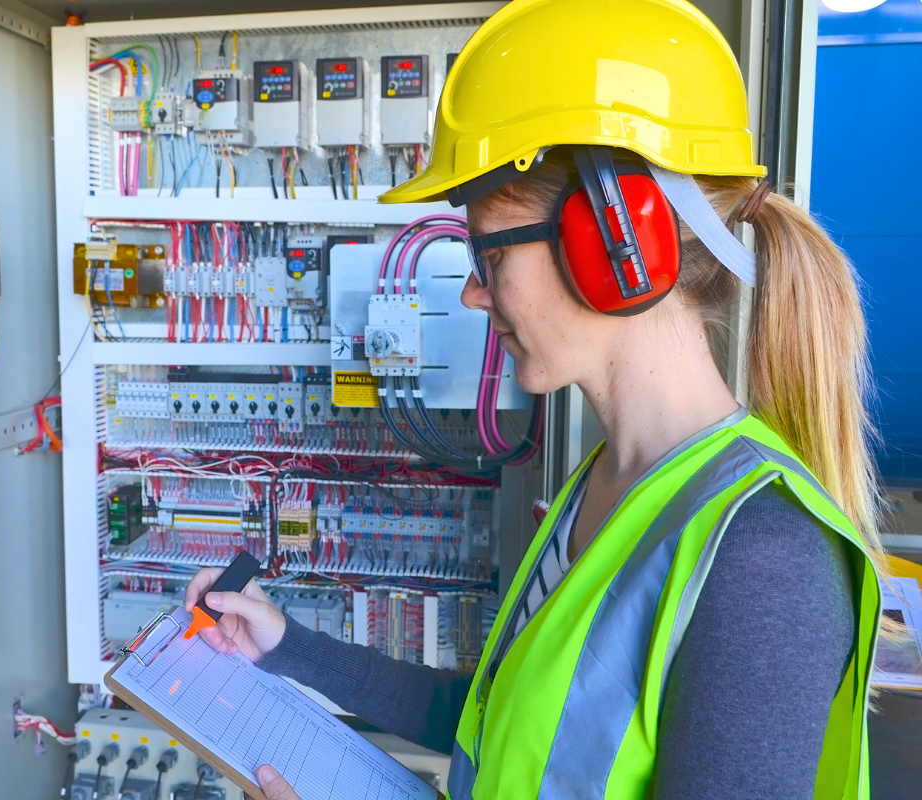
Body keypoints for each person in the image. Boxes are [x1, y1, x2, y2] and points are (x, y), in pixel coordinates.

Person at [185, 0, 888, 797]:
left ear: (611, 238)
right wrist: (290, 648)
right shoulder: (611, 487)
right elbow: (502, 722)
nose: (476, 297)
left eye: (486, 255)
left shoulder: (762, 561)